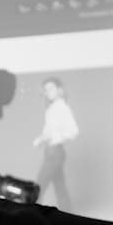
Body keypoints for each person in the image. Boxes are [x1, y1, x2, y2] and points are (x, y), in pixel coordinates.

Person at [32, 76, 78, 208]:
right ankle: (68, 213)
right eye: (46, 90)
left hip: (55, 152)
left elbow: (73, 131)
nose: (48, 92)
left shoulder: (62, 107)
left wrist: (56, 138)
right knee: (60, 187)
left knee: (40, 184)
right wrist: (41, 139)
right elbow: (49, 132)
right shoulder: (52, 109)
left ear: (59, 90)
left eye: (51, 88)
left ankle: (31, 213)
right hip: (51, 152)